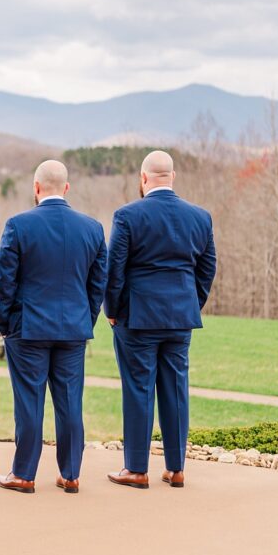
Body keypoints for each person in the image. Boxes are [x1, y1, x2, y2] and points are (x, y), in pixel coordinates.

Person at [0, 160, 107, 494]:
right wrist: (85, 319)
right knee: (71, 402)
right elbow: (97, 285)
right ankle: (70, 474)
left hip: (28, 328)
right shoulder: (92, 228)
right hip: (72, 328)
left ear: (36, 187)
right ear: (66, 188)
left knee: (29, 403)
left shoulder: (19, 225)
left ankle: (24, 474)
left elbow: (4, 282)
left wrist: (5, 323)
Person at [105, 150, 217, 489]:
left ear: (143, 178)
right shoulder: (200, 217)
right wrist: (190, 304)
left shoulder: (127, 216)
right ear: (173, 177)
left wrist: (112, 310)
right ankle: (176, 467)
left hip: (137, 318)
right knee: (176, 389)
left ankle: (137, 469)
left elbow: (115, 271)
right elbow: (207, 269)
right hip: (180, 318)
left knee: (138, 389)